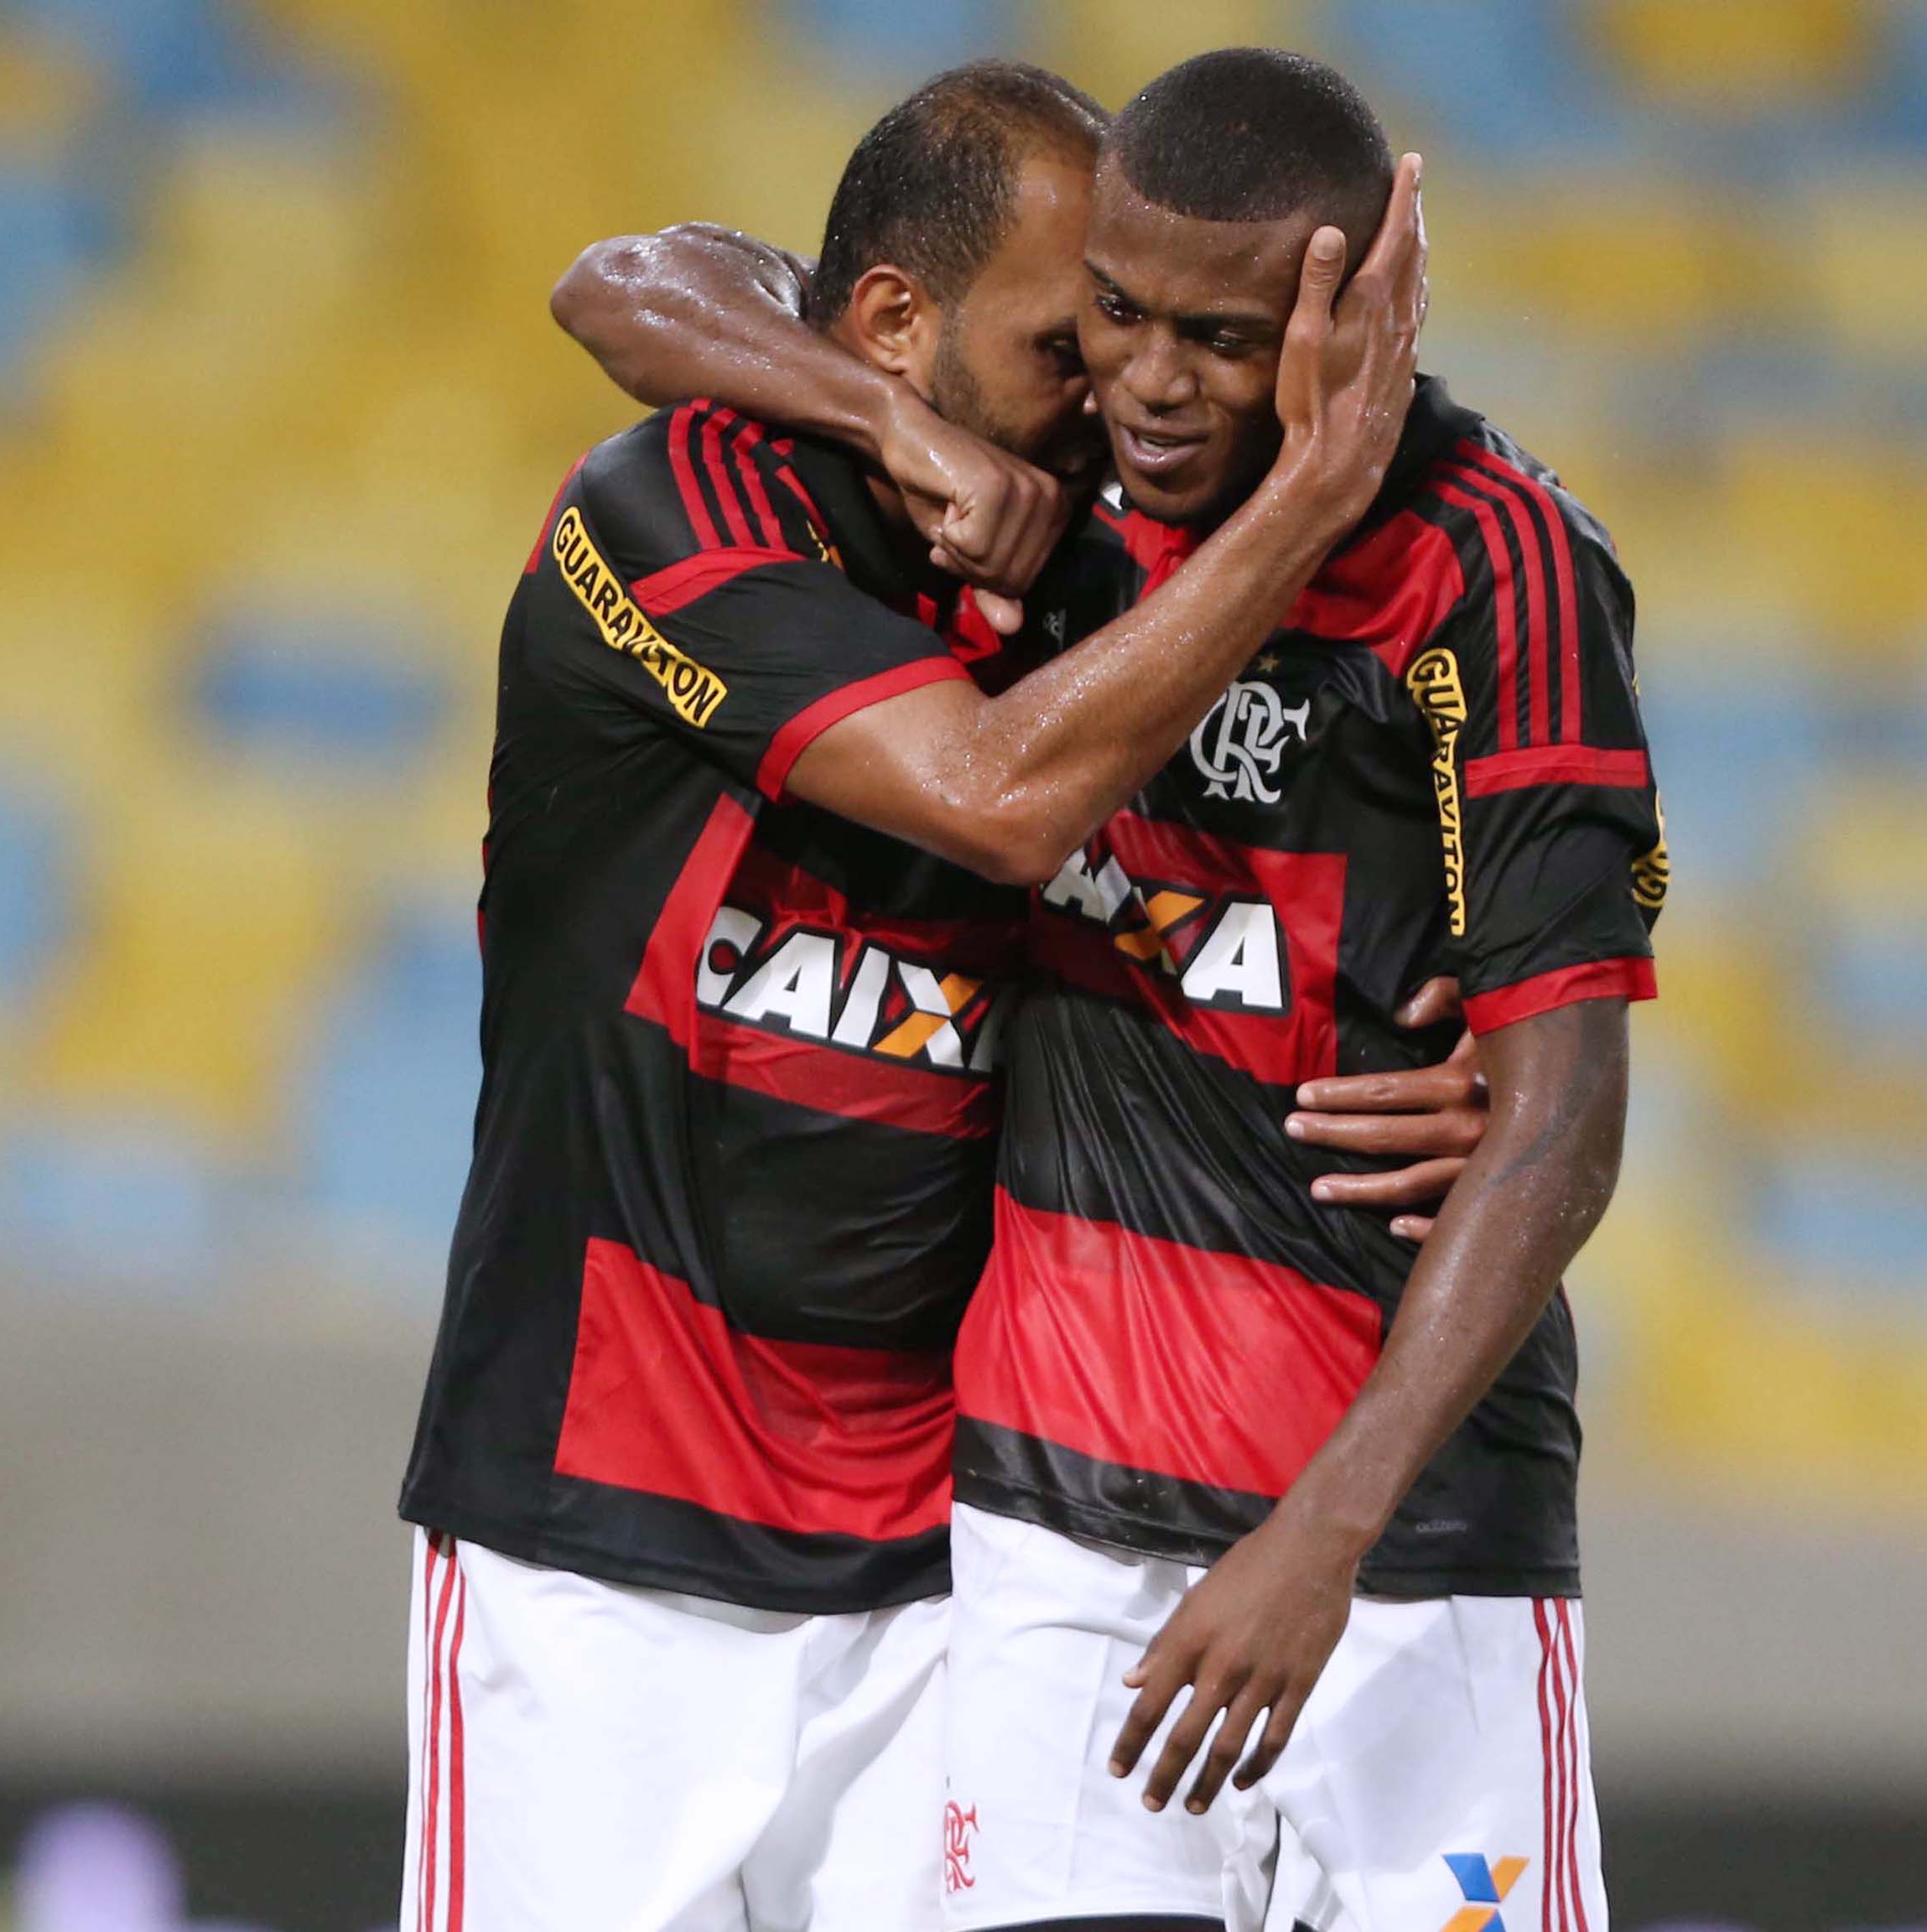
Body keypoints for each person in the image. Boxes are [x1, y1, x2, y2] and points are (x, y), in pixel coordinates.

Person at [557, 47, 1667, 1932]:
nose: (1151, 387)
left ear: (1359, 314)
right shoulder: (1052, 500)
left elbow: (1563, 1117)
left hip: (1409, 1563)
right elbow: (630, 285)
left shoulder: (1503, 570)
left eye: (1225, 341)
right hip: (1052, 1543)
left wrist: (1326, 1534)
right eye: (1119, 318)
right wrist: (888, 419)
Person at [400, 60, 1445, 1932]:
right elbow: (1002, 797)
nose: (1121, 395)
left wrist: (1469, 1086)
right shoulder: (675, 507)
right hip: (597, 1546)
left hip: (925, 1575)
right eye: (1069, 343)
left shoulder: (1076, 571)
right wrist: (1311, 500)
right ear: (893, 321)